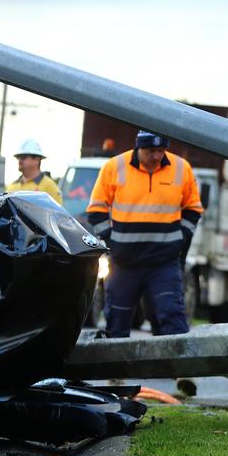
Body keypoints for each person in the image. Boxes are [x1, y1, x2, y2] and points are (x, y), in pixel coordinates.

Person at [87, 131, 203, 337]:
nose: (157, 156)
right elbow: (96, 209)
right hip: (125, 264)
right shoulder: (115, 167)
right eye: (151, 151)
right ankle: (116, 369)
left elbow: (193, 209)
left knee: (172, 321)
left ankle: (172, 368)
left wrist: (180, 239)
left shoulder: (181, 168)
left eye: (161, 150)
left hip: (163, 264)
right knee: (117, 325)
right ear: (139, 147)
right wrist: (113, 242)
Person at [5, 138, 62, 204]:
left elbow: (57, 214)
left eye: (23, 157)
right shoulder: (11, 187)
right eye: (18, 157)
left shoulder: (50, 187)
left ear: (37, 160)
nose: (19, 160)